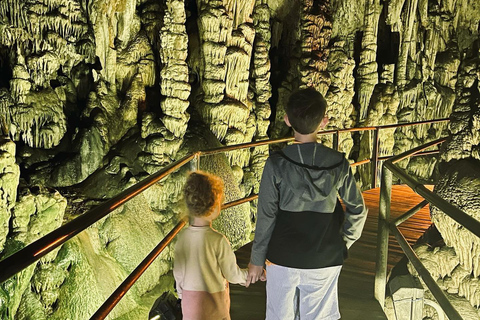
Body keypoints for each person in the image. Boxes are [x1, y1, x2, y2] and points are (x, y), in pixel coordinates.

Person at [246, 87, 368, 320]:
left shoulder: (276, 164)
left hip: (282, 258)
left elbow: (266, 215)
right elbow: (358, 210)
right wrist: (343, 242)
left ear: (287, 120)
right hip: (324, 258)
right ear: (324, 122)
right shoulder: (338, 163)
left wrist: (256, 260)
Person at [174, 171, 252, 320]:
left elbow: (178, 273)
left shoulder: (182, 238)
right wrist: (247, 276)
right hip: (214, 306)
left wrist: (182, 296)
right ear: (215, 206)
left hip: (191, 306)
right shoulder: (218, 240)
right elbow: (232, 274)